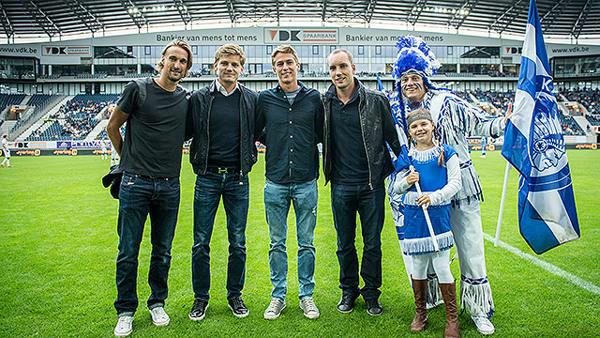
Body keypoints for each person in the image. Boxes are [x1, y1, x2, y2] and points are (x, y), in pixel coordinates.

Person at [387, 35, 511, 335]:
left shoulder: (448, 101)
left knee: (470, 247)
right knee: (427, 249)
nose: (409, 83)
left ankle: (478, 308)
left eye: (414, 77)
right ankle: (430, 301)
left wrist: (507, 121)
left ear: (425, 78)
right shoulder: (394, 110)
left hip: (460, 187)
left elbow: (480, 124)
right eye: (403, 78)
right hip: (421, 192)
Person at [106, 39, 192, 337]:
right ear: (162, 60)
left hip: (170, 186)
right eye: (173, 59)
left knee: (163, 251)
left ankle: (157, 303)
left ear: (187, 68)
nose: (177, 65)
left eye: (183, 61)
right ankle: (126, 310)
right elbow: (113, 126)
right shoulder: (137, 88)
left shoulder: (186, 100)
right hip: (135, 183)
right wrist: (126, 160)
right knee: (128, 250)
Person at [323, 49, 401, 316]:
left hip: (371, 186)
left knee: (372, 244)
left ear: (353, 67)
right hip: (341, 186)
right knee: (344, 244)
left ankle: (371, 293)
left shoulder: (377, 100)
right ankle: (348, 291)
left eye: (342, 66)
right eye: (332, 69)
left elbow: (393, 139)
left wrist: (413, 166)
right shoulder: (325, 103)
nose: (338, 73)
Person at [187, 44, 258, 321]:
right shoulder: (199, 99)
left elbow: (263, 131)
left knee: (238, 242)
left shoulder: (251, 99)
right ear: (215, 65)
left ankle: (234, 295)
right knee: (200, 243)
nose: (230, 68)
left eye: (235, 64)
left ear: (242, 69)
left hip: (238, 180)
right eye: (225, 63)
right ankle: (200, 298)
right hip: (206, 177)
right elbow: (181, 131)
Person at [256, 45, 323, 320]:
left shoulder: (314, 99)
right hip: (276, 181)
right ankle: (278, 295)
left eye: (289, 63)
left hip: (306, 181)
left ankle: (306, 295)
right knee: (277, 243)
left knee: (306, 243)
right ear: (274, 69)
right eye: (280, 64)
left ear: (298, 65)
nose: (285, 67)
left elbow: (320, 133)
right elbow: (257, 131)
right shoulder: (265, 100)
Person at [393, 108, 461, 338]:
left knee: (442, 266)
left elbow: (455, 184)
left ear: (432, 125)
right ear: (409, 132)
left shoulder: (446, 152)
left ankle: (452, 319)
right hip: (414, 218)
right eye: (414, 126)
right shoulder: (407, 158)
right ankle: (420, 313)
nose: (419, 129)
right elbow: (395, 189)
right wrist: (406, 182)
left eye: (423, 124)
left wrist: (434, 197)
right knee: (418, 267)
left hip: (437, 216)